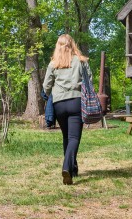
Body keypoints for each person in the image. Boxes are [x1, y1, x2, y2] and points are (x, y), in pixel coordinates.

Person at [43, 34, 91, 185]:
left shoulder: (53, 63)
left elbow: (46, 86)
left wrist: (50, 94)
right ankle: (66, 167)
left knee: (66, 137)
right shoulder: (81, 61)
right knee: (74, 138)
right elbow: (89, 80)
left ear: (58, 46)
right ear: (72, 44)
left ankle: (73, 169)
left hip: (59, 104)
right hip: (76, 101)